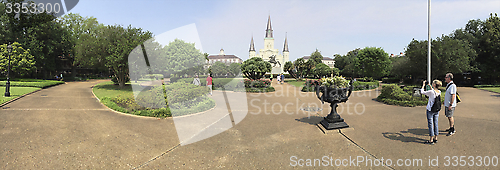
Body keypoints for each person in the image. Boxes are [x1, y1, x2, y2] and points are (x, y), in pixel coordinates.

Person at [420, 80, 443, 144]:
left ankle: (431, 140)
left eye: (433, 83)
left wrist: (423, 85)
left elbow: (422, 92)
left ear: (435, 85)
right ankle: (435, 138)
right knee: (436, 123)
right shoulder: (439, 92)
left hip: (430, 109)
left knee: (430, 124)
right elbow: (433, 92)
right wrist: (430, 86)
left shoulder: (431, 92)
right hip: (436, 109)